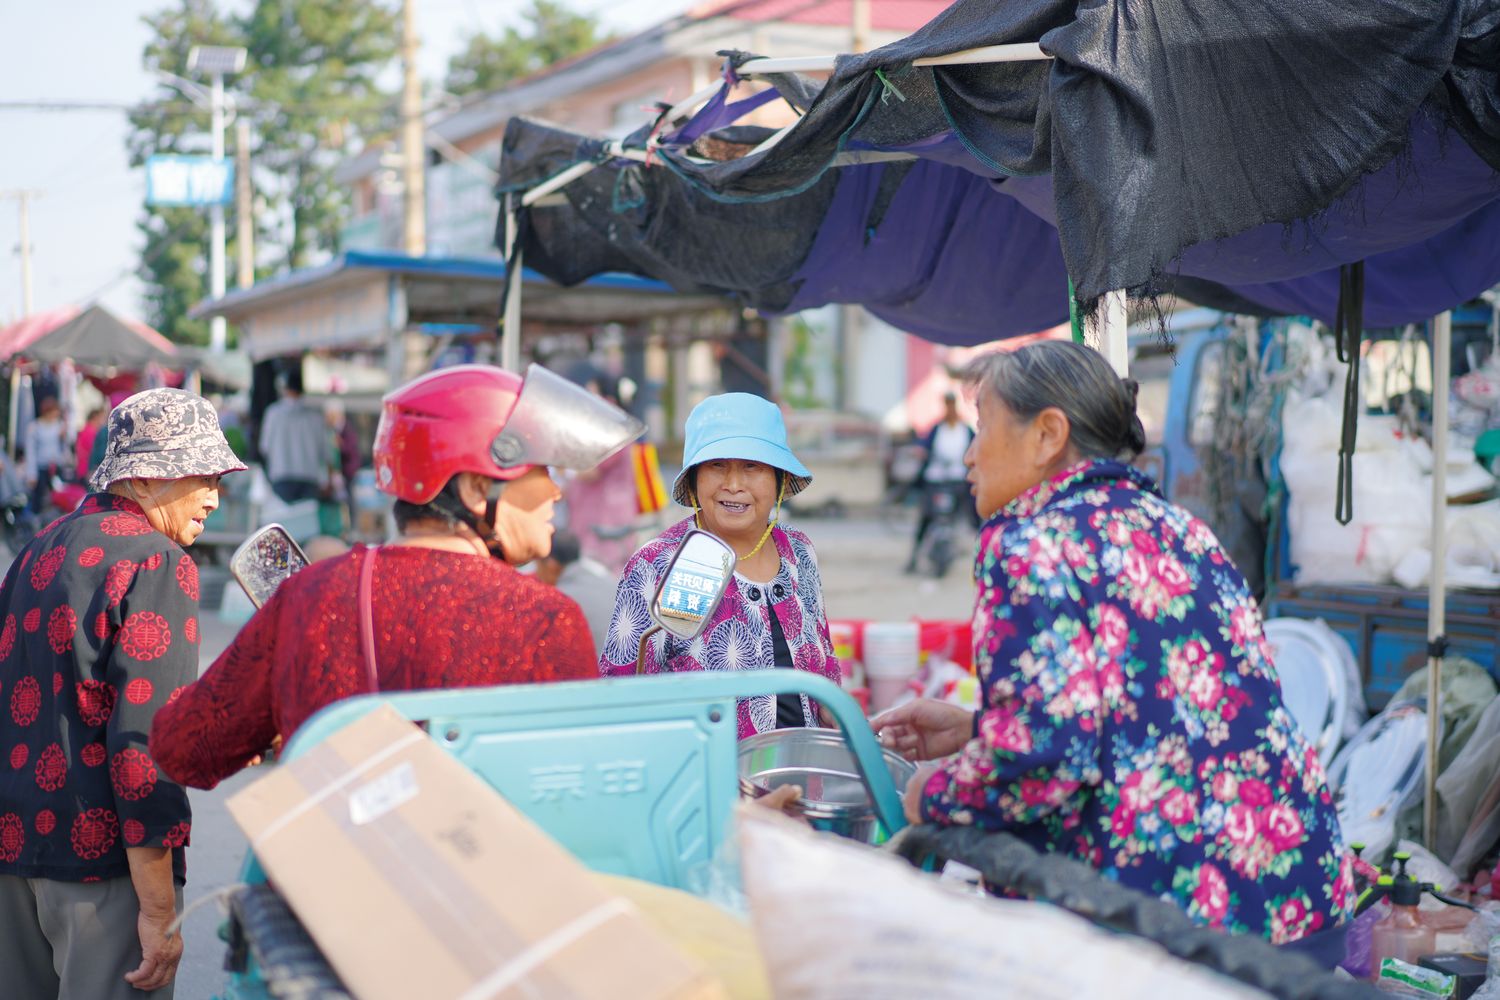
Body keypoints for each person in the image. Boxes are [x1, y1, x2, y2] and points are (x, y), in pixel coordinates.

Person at [872, 341, 1353, 958]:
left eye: (982, 429)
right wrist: (977, 730)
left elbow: (1046, 757)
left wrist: (933, 796)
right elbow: (1157, 711)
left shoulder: (1029, 545)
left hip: (1174, 928)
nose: (968, 456)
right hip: (1298, 890)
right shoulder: (1183, 528)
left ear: (1048, 434)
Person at [149, 364, 644, 788]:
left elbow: (182, 748)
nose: (556, 492)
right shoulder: (545, 618)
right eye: (541, 471)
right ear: (476, 489)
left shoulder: (309, 594)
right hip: (486, 892)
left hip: (326, 890)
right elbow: (583, 793)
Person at [0, 388, 246, 999]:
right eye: (200, 476)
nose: (215, 497)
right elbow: (144, 751)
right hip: (101, 869)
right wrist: (160, 912)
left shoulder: (36, 550)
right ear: (142, 480)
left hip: (12, 855)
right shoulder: (156, 561)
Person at [601, 393, 840, 738]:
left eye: (752, 466)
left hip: (802, 775)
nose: (733, 484)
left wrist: (832, 707)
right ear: (695, 479)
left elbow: (825, 664)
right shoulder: (659, 564)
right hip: (709, 784)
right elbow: (622, 699)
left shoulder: (798, 551)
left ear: (779, 479)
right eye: (717, 466)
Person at [564, 374, 643, 572]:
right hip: (601, 513)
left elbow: (591, 471)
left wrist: (563, 465)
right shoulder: (617, 428)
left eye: (592, 393)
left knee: (605, 571)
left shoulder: (613, 431)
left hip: (605, 517)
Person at [904, 391, 978, 574]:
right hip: (936, 480)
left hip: (957, 481)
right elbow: (924, 445)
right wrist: (920, 451)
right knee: (926, 518)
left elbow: (974, 448)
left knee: (970, 517)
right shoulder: (938, 428)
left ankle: (976, 556)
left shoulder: (964, 429)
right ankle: (914, 558)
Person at [534, 529, 615, 655]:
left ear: (551, 565)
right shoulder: (603, 575)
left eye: (537, 564)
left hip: (601, 671)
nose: (536, 572)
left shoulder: (560, 600)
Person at [257, 369, 329, 505]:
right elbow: (325, 452)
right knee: (307, 522)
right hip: (309, 477)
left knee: (284, 522)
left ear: (285, 389)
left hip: (281, 475)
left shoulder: (273, 414)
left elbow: (264, 447)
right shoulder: (315, 416)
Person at [23, 396, 68, 515]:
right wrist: (31, 474)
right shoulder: (35, 427)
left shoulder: (59, 425)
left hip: (55, 466)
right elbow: (30, 451)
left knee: (58, 496)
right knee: (38, 498)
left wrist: (63, 437)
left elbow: (63, 448)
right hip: (40, 467)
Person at [75, 407, 108, 483]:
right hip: (87, 470)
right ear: (95, 417)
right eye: (102, 417)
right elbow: (92, 452)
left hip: (85, 469)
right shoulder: (90, 432)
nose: (103, 421)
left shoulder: (87, 429)